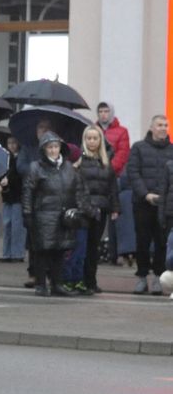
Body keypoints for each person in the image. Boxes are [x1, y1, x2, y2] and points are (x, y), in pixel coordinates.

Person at [23, 131, 88, 298]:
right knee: (42, 251)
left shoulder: (69, 168)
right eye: (50, 147)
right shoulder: (36, 167)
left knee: (60, 251)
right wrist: (27, 213)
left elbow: (77, 190)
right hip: (43, 215)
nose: (53, 150)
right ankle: (41, 284)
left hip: (63, 216)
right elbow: (28, 191)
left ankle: (57, 284)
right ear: (44, 149)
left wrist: (80, 210)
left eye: (56, 146)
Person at [67, 125, 118, 294]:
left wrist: (115, 208)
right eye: (89, 138)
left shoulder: (106, 162)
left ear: (100, 140)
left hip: (100, 209)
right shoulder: (79, 162)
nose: (92, 141)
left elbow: (112, 187)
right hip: (83, 209)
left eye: (95, 138)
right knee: (80, 246)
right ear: (84, 140)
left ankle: (91, 281)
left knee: (93, 246)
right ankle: (78, 279)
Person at [126, 114, 171, 295]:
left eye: (166, 125)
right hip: (142, 203)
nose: (163, 128)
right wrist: (145, 194)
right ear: (152, 128)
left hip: (165, 205)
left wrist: (163, 197)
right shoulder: (138, 148)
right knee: (142, 241)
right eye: (160, 125)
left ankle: (159, 277)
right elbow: (133, 172)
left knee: (162, 243)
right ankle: (142, 277)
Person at [97, 102, 133, 263]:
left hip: (115, 178)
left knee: (115, 215)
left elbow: (122, 154)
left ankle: (115, 251)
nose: (103, 114)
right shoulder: (94, 130)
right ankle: (99, 250)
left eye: (106, 111)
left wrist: (108, 170)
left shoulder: (122, 131)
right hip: (96, 178)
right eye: (100, 111)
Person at [0, 136, 27, 262]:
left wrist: (9, 179)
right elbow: (0, 173)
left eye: (14, 142)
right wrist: (2, 181)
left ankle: (17, 253)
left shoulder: (22, 157)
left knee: (17, 226)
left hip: (19, 196)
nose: (12, 145)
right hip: (8, 196)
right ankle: (6, 253)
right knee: (7, 224)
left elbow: (22, 175)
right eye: (9, 143)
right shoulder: (6, 158)